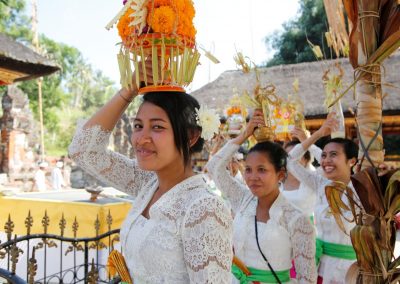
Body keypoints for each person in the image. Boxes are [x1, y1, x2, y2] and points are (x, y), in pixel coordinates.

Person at [68, 75, 233, 282]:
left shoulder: (203, 208)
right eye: (138, 126)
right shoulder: (147, 183)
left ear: (191, 136)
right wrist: (127, 91)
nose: (141, 139)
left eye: (157, 127)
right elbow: (83, 151)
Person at [206, 109, 317, 284]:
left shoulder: (297, 220)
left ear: (280, 175)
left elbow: (307, 279)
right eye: (248, 169)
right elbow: (214, 167)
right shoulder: (242, 199)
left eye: (262, 170)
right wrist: (245, 134)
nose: (252, 177)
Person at [287, 112, 360, 283]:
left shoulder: (362, 190)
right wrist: (317, 134)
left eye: (333, 155)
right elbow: (290, 161)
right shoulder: (320, 184)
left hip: (350, 270)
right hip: (318, 266)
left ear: (352, 161)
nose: (326, 161)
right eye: (324, 156)